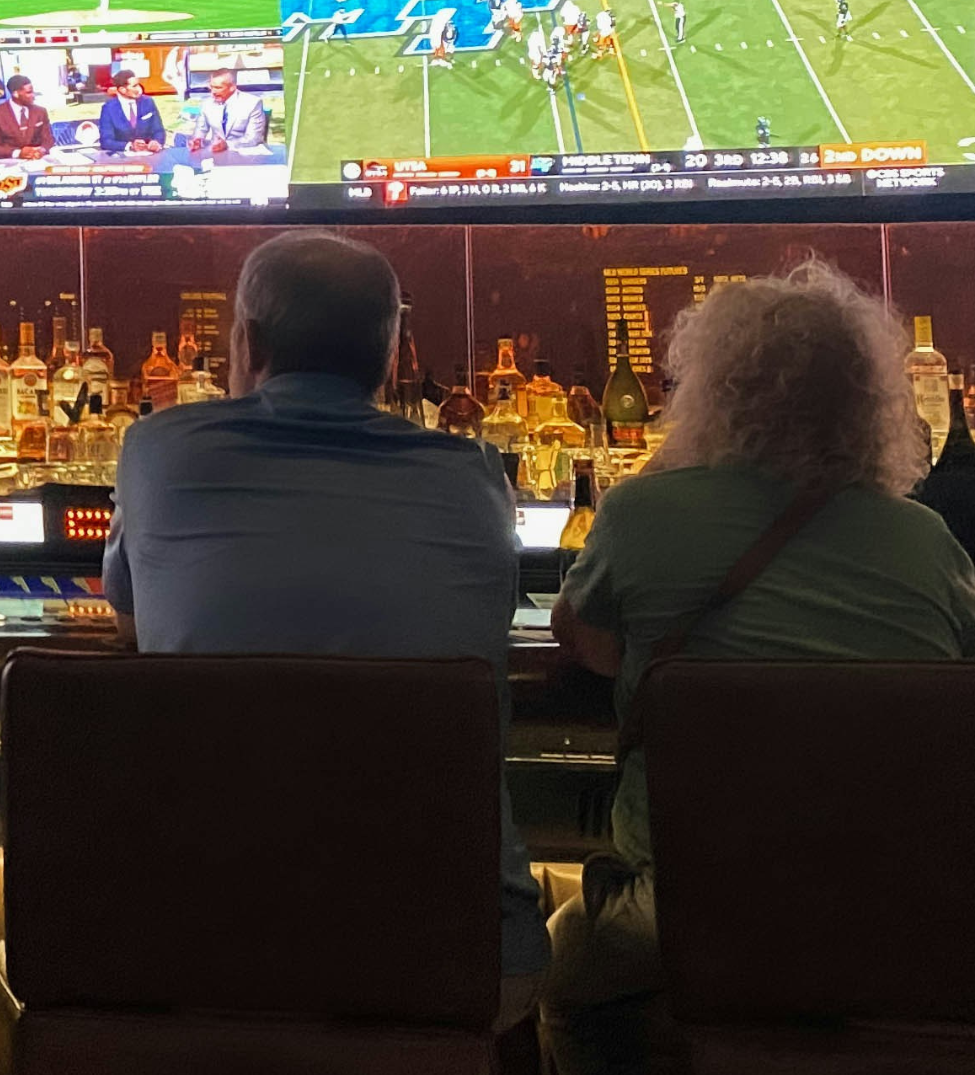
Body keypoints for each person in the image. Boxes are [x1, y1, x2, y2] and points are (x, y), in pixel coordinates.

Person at [105, 230, 551, 1029]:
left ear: (245, 343)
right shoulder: (477, 480)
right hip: (462, 954)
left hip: (198, 952)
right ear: (392, 359)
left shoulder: (156, 451)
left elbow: (137, 623)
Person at [541, 261, 975, 1075]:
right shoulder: (923, 541)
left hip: (689, 915)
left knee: (560, 978)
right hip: (903, 920)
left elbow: (586, 644)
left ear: (708, 389)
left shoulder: (642, 514)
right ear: (868, 404)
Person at [186, 68, 269, 153]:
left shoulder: (252, 103)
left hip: (244, 154)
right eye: (211, 87)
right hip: (215, 154)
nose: (213, 92)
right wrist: (197, 141)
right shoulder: (206, 104)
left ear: (232, 87)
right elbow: (200, 131)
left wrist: (227, 145)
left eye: (218, 88)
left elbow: (254, 138)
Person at [0, 74, 54, 160]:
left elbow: (48, 140)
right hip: (6, 164)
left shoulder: (40, 112)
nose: (33, 96)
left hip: (36, 162)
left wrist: (41, 150)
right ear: (15, 94)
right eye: (29, 92)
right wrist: (18, 153)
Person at [95, 70, 165, 152]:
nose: (139, 89)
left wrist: (156, 142)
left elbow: (159, 130)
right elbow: (106, 141)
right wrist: (130, 146)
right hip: (122, 159)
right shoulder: (109, 108)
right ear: (122, 90)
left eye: (138, 85)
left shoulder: (148, 102)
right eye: (134, 86)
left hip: (149, 155)